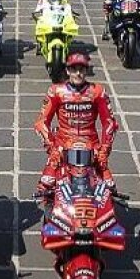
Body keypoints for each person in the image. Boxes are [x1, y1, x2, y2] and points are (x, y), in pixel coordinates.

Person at [34, 53, 118, 209]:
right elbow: (41, 122)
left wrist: (104, 151)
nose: (78, 73)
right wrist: (52, 148)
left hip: (92, 147)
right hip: (62, 147)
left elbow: (110, 123)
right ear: (67, 71)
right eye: (74, 69)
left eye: (82, 69)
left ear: (87, 71)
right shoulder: (56, 91)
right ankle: (51, 215)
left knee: (109, 187)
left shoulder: (98, 92)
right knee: (45, 185)